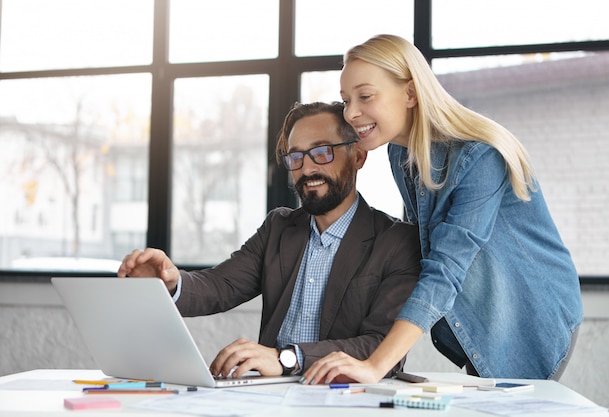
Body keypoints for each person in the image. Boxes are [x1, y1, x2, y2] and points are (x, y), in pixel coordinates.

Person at [301, 34, 583, 384]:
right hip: (481, 316)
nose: (351, 112)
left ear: (410, 93)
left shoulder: (480, 157)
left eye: (365, 96)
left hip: (530, 316)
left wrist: (374, 365)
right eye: (346, 100)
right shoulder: (399, 153)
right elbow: (414, 246)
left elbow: (445, 269)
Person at [117, 101, 422, 379]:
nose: (307, 168)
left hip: (348, 399)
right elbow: (221, 285)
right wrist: (170, 281)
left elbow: (382, 347)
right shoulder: (279, 227)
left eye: (321, 152)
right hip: (270, 396)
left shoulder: (397, 241)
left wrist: (287, 358)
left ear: (358, 155)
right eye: (296, 157)